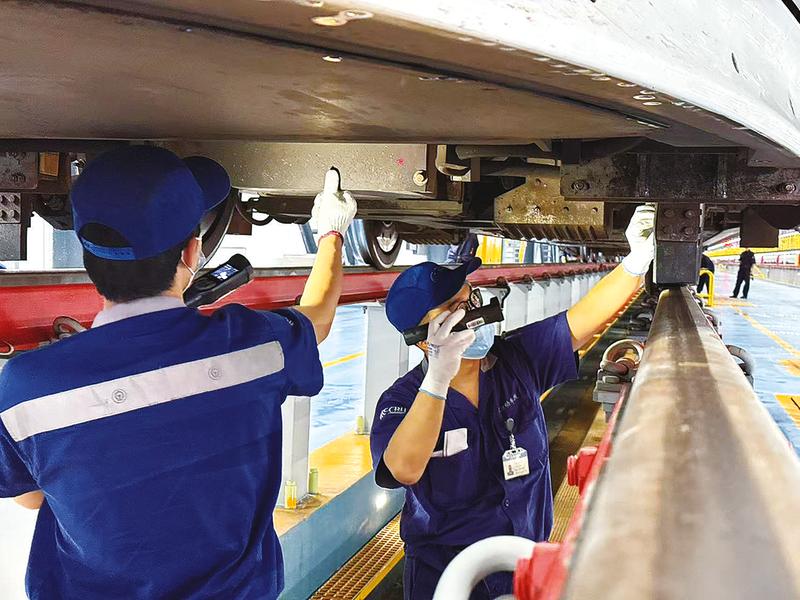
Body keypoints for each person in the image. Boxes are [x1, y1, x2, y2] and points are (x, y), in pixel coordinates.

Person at [0, 146, 357, 600]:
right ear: (192, 252)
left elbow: (30, 496)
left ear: (89, 260)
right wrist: (331, 233)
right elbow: (317, 317)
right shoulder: (255, 344)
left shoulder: (27, 384)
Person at [370, 205, 656, 600]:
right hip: (448, 579)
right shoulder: (402, 401)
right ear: (423, 338)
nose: (474, 312)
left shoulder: (516, 359)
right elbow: (403, 468)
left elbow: (580, 322)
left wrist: (635, 262)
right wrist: (437, 379)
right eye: (455, 309)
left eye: (470, 298)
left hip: (527, 568)